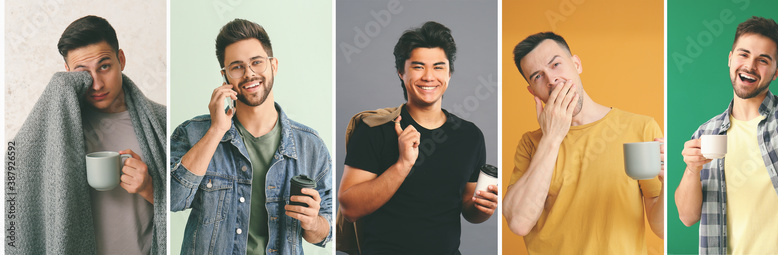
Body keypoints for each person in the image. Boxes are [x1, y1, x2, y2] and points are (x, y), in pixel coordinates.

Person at [169, 18, 333, 254]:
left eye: (257, 62)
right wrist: (216, 131)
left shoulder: (310, 146)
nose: (249, 74)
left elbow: (325, 232)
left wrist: (313, 222)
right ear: (225, 76)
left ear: (273, 65)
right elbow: (173, 199)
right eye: (237, 67)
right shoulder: (193, 134)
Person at [7, 15, 167, 254]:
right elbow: (16, 165)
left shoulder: (161, 123)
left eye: (104, 66)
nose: (97, 84)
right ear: (68, 73)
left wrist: (150, 189)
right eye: (83, 72)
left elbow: (191, 207)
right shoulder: (57, 131)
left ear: (121, 60)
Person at [673, 16, 778, 254]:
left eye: (763, 60)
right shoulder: (706, 133)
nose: (750, 66)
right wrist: (692, 169)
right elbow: (687, 217)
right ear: (730, 58)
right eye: (743, 54)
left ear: (776, 72)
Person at [337, 21, 497, 255]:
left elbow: (467, 207)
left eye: (439, 67)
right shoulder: (373, 129)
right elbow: (350, 208)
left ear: (450, 74)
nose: (429, 77)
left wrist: (483, 208)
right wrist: (402, 164)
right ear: (401, 72)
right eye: (418, 66)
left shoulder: (470, 136)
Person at [502, 31, 665, 254]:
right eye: (537, 76)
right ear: (533, 91)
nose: (551, 80)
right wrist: (552, 137)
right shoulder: (531, 144)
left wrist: (667, 184)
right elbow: (519, 222)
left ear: (576, 64)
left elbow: (661, 229)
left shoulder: (641, 128)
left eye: (556, 64)